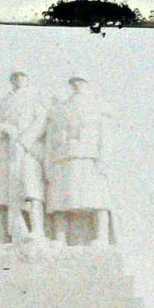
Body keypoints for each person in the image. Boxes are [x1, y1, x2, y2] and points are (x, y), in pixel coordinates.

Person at [41, 76, 113, 246]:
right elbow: (51, 140)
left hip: (89, 158)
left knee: (97, 199)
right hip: (64, 158)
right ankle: (60, 237)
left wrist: (103, 161)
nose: (77, 85)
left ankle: (101, 236)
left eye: (81, 82)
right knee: (60, 201)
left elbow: (105, 137)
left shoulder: (97, 106)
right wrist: (49, 165)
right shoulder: (61, 109)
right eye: (74, 82)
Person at [0, 71, 45, 245]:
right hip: (4, 150)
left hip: (26, 150)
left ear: (27, 79)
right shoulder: (3, 102)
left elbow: (41, 121)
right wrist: (1, 129)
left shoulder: (35, 98)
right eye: (15, 77)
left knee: (31, 190)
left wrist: (24, 142)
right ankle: (4, 232)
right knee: (1, 193)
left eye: (22, 76)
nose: (19, 80)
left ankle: (37, 229)